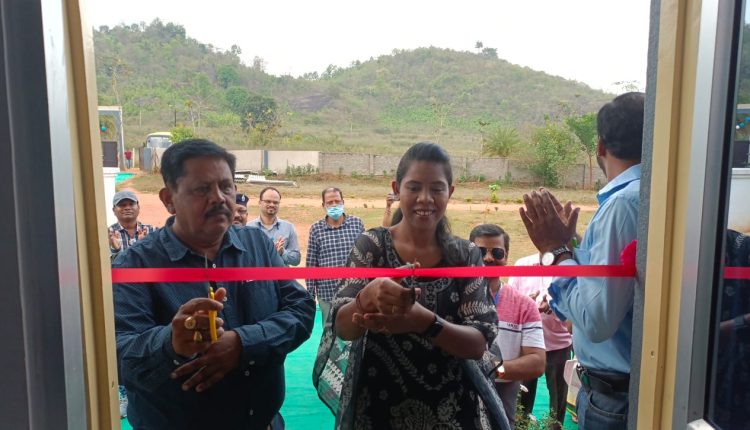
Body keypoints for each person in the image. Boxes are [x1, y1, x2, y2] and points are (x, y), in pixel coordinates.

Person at [113, 139, 315, 429]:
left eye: (226, 186)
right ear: (168, 199)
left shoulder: (258, 246)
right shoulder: (135, 265)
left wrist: (243, 344)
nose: (219, 198)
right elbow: (118, 357)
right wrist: (170, 344)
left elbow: (302, 309)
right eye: (202, 189)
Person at [314, 142, 507, 429]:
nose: (425, 199)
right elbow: (342, 327)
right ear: (396, 189)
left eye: (437, 189)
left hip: (452, 409)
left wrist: (424, 322)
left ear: (451, 192)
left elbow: (478, 343)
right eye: (414, 187)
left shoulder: (465, 255)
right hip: (378, 407)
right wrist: (365, 299)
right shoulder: (372, 246)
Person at [520, 92, 645, 429]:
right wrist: (573, 246)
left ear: (600, 146)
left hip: (616, 400)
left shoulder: (624, 205)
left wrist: (556, 251)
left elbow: (596, 321)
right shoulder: (648, 196)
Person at [470, 224, 546, 427]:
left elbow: (537, 362)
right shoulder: (454, 299)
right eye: (480, 252)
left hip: (503, 400)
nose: (488, 258)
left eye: (496, 252)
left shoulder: (524, 305)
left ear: (506, 257)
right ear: (469, 256)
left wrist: (493, 369)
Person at [508, 252, 573, 430]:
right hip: (526, 347)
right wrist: (526, 306)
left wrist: (553, 309)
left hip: (559, 345)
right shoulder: (522, 265)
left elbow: (574, 311)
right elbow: (510, 303)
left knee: (558, 400)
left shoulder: (569, 267)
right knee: (522, 397)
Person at [306, 187, 364, 322]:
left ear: (343, 202)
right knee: (329, 332)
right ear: (323, 205)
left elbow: (364, 256)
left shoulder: (357, 224)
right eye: (330, 202)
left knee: (354, 329)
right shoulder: (316, 229)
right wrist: (310, 295)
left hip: (353, 293)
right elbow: (311, 264)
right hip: (327, 294)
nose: (334, 205)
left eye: (337, 201)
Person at [248, 187, 301, 266]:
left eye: (275, 202)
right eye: (268, 201)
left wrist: (282, 252)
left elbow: (296, 260)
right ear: (259, 202)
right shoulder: (248, 228)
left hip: (281, 273)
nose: (272, 205)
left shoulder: (288, 227)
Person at [108, 190, 156, 259]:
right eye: (122, 205)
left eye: (131, 204)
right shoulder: (107, 235)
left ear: (138, 207)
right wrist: (115, 250)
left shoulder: (152, 231)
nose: (127, 208)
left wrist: (145, 247)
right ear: (114, 210)